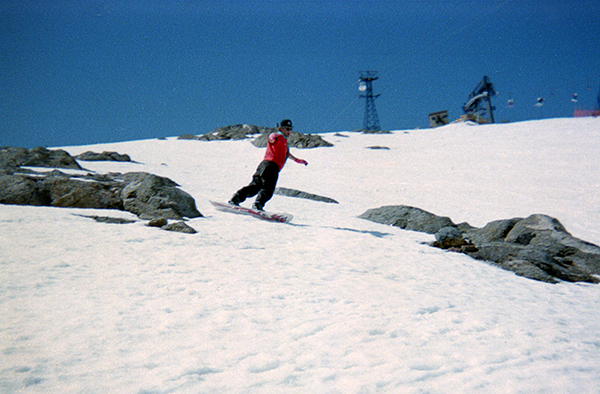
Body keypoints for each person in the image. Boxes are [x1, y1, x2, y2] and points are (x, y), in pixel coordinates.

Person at [229, 119, 308, 211]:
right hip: (272, 166)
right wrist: (272, 138)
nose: (289, 131)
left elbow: (286, 154)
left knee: (255, 186)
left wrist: (298, 160)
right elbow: (272, 137)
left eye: (290, 129)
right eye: (287, 129)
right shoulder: (278, 137)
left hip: (264, 165)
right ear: (281, 129)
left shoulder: (284, 142)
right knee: (268, 189)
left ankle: (236, 198)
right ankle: (258, 205)